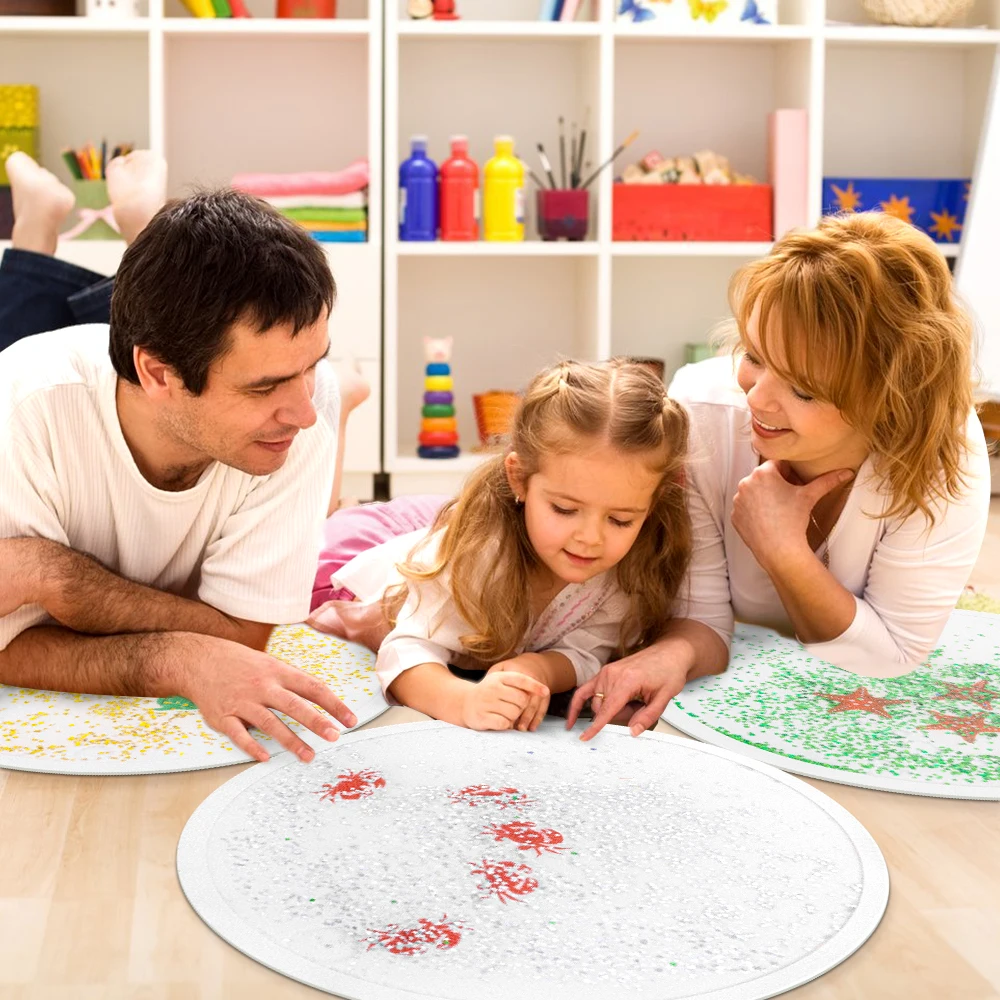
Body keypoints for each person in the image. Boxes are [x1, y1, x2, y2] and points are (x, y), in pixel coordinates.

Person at [567, 211, 992, 739]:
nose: (756, 397)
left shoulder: (943, 454)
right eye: (754, 356)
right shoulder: (700, 416)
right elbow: (699, 609)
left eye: (804, 390)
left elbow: (894, 654)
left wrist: (783, 550)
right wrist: (669, 656)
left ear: (889, 397)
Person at [0, 170, 373, 764]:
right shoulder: (22, 409)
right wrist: (181, 652)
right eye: (264, 386)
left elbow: (245, 638)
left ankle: (140, 218)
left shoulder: (302, 416)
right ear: (156, 374)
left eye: (313, 365)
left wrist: (57, 579)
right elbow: (7, 650)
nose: (303, 413)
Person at [309, 359, 705, 731]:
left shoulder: (627, 561)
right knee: (312, 530)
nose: (591, 537)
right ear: (519, 479)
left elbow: (589, 650)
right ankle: (338, 401)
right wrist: (464, 700)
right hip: (365, 563)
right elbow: (406, 652)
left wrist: (540, 668)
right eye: (565, 509)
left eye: (620, 519)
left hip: (478, 523)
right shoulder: (477, 557)